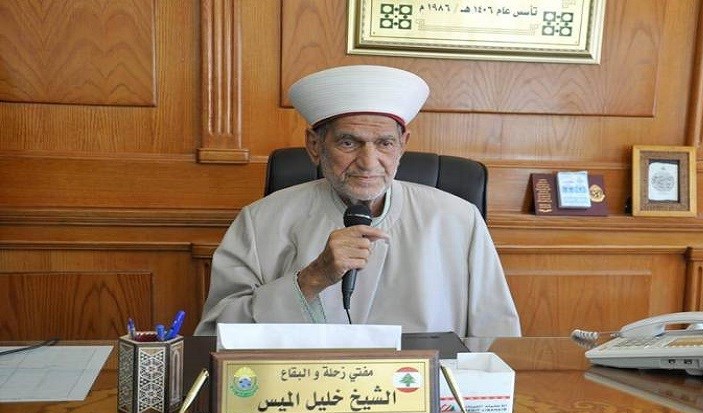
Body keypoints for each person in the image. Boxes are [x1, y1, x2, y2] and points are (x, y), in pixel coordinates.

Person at [195, 65, 521, 337]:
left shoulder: (459, 219)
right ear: (314, 146)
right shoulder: (260, 220)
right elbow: (215, 333)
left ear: (403, 145)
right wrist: (311, 280)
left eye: (385, 143)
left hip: (424, 387)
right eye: (349, 143)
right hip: (304, 386)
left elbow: (496, 337)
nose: (368, 162)